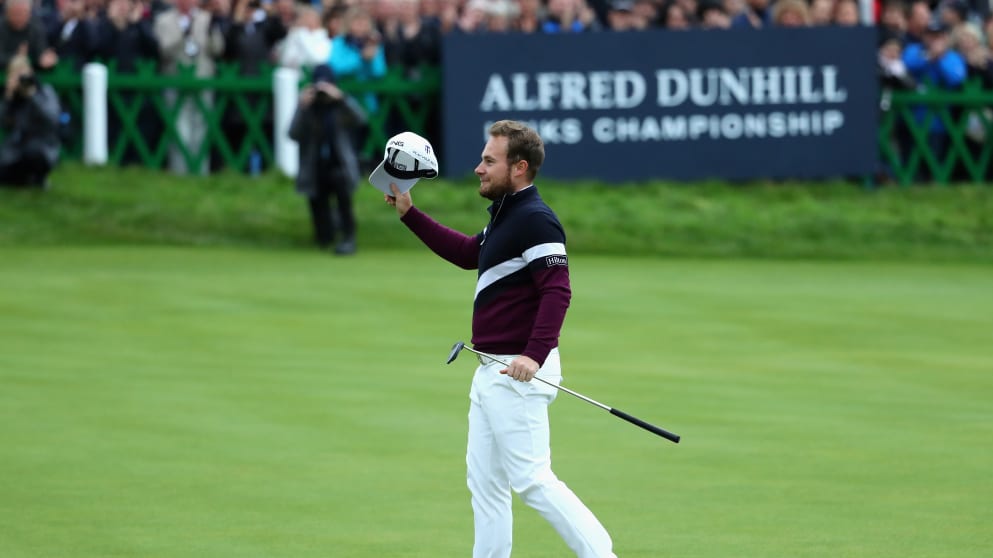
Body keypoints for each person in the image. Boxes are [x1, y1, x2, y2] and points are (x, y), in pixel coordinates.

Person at [381, 120, 617, 558]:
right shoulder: (507, 215)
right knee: (485, 484)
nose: (478, 168)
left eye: (489, 161)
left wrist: (533, 355)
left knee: (533, 480)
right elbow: (468, 254)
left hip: (518, 372)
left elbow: (557, 290)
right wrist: (409, 214)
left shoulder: (536, 220)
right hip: (491, 370)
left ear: (519, 167)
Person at [288, 64, 367, 254]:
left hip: (339, 164)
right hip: (315, 167)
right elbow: (293, 133)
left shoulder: (340, 107)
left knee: (344, 199)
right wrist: (302, 107)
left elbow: (361, 119)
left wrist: (341, 98)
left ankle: (348, 236)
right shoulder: (309, 109)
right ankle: (326, 234)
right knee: (322, 226)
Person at [0, 52, 62, 188]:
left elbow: (51, 119)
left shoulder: (44, 91)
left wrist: (32, 95)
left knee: (33, 153)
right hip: (17, 148)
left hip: (41, 146)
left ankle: (38, 178)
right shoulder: (13, 97)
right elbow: (4, 123)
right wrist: (8, 97)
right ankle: (24, 179)